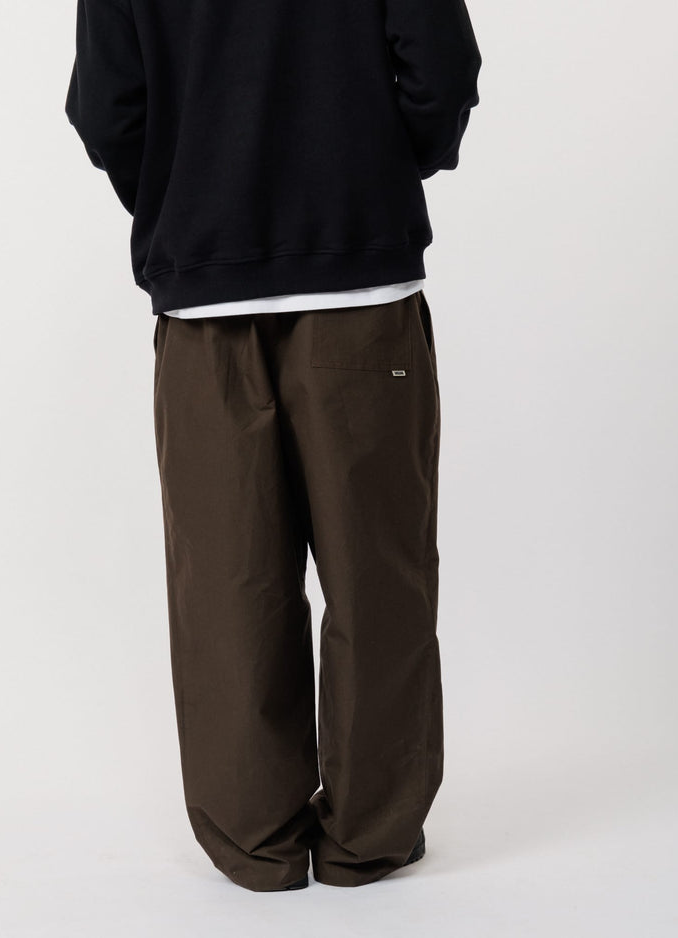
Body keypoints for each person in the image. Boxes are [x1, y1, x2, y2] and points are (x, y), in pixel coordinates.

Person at [64, 0, 481, 892]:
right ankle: (371, 834)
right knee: (379, 572)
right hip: (361, 287)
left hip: (203, 301)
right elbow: (442, 68)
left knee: (225, 581)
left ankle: (255, 838)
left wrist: (190, 189)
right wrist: (375, 164)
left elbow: (106, 108)